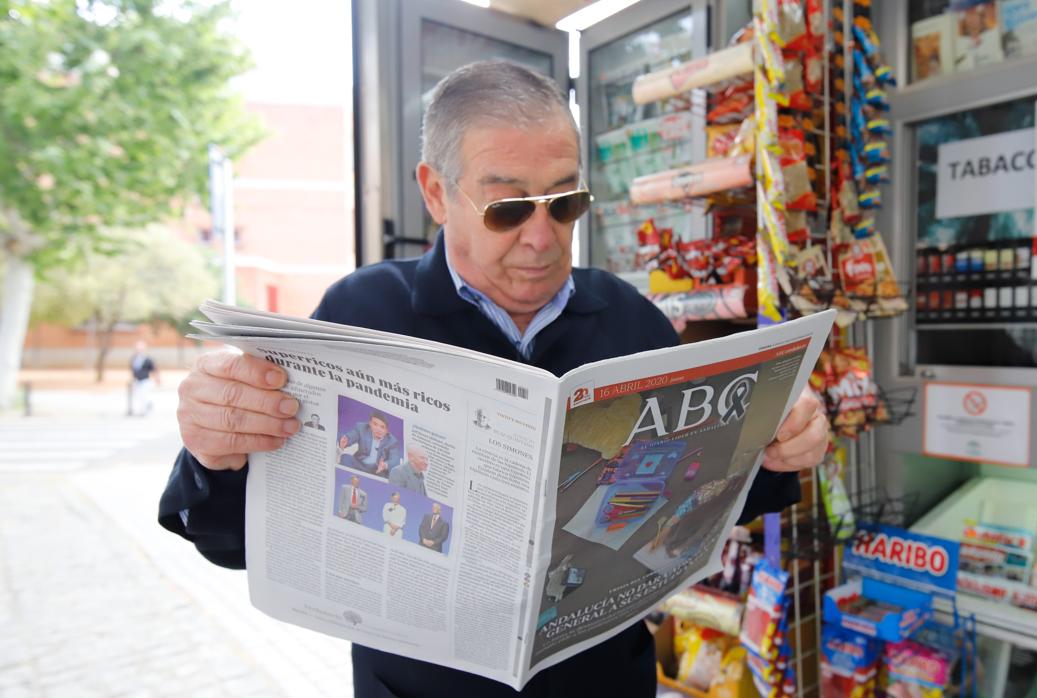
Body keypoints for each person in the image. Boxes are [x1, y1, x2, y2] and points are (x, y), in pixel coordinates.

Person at [158, 60, 829, 697]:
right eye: (508, 208)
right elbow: (239, 542)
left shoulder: (631, 319)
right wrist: (215, 454)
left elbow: (720, 500)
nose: (542, 238)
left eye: (565, 202)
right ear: (435, 192)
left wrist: (779, 448)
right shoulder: (359, 318)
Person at [338, 410, 399, 476]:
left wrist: (385, 465)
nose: (378, 429)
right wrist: (346, 440)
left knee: (388, 475)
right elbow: (353, 435)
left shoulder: (392, 441)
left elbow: (395, 459)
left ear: (386, 431)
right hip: (359, 463)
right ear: (370, 424)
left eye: (382, 427)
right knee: (345, 458)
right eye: (375, 424)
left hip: (377, 470)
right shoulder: (362, 428)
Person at [127, 340, 159, 416]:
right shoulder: (133, 358)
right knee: (138, 396)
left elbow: (154, 369)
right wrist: (132, 379)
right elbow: (132, 370)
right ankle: (145, 408)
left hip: (145, 380)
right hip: (137, 380)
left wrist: (157, 378)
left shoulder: (148, 359)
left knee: (144, 395)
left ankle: (145, 410)